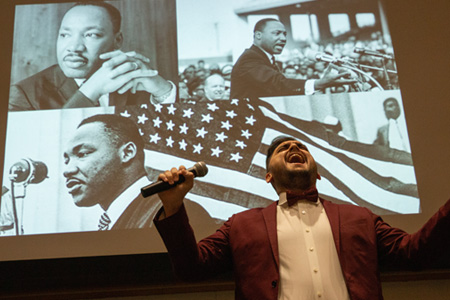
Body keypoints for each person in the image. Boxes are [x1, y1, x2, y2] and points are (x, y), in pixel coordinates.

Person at [154, 136, 450, 299]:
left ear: (318, 173)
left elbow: (415, 254)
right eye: (283, 148)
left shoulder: (359, 217)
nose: (294, 147)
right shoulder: (241, 225)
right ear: (268, 176)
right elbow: (191, 269)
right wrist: (173, 205)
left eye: (301, 147)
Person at [9, 2, 176, 111]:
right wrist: (90, 91)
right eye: (65, 35)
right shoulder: (24, 94)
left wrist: (163, 92)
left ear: (117, 40)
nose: (74, 47)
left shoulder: (137, 81)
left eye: (91, 35)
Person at [63, 114, 214, 230]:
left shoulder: (175, 213)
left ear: (127, 153)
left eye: (82, 154)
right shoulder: (115, 221)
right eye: (66, 160)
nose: (68, 170)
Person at [230, 18, 355, 99]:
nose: (283, 38)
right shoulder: (250, 58)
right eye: (276, 33)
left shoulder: (267, 59)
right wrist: (317, 83)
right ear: (258, 35)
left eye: (284, 34)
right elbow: (278, 84)